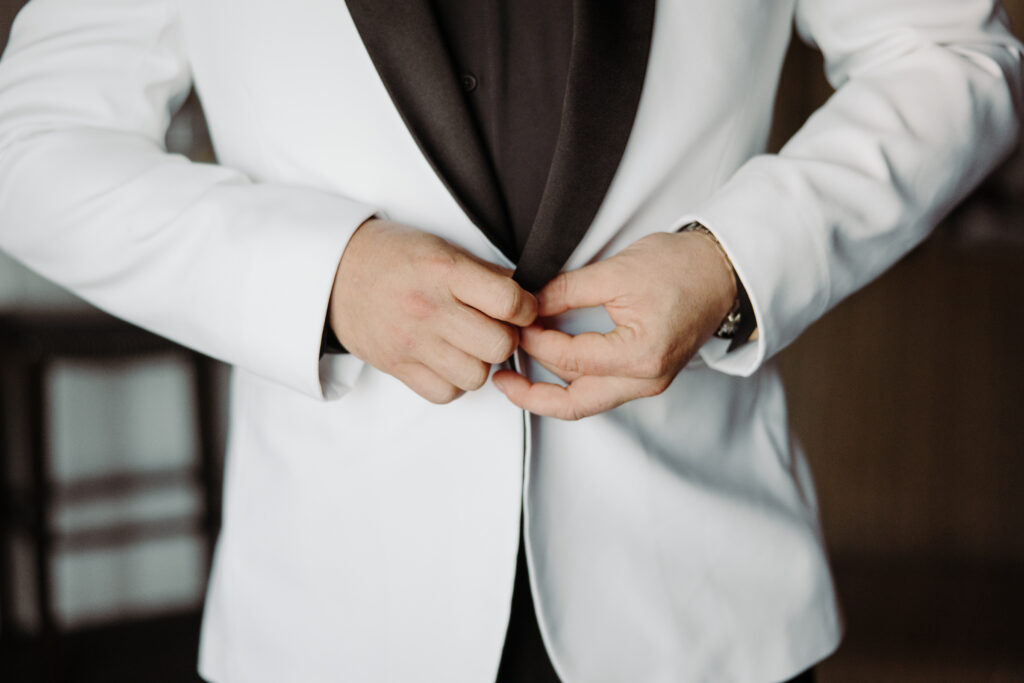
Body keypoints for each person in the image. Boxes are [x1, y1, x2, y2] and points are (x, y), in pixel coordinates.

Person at [0, 0, 1019, 681]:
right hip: (332, 616)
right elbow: (29, 141)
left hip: (706, 613)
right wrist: (324, 279)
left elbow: (952, 55)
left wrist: (731, 264)